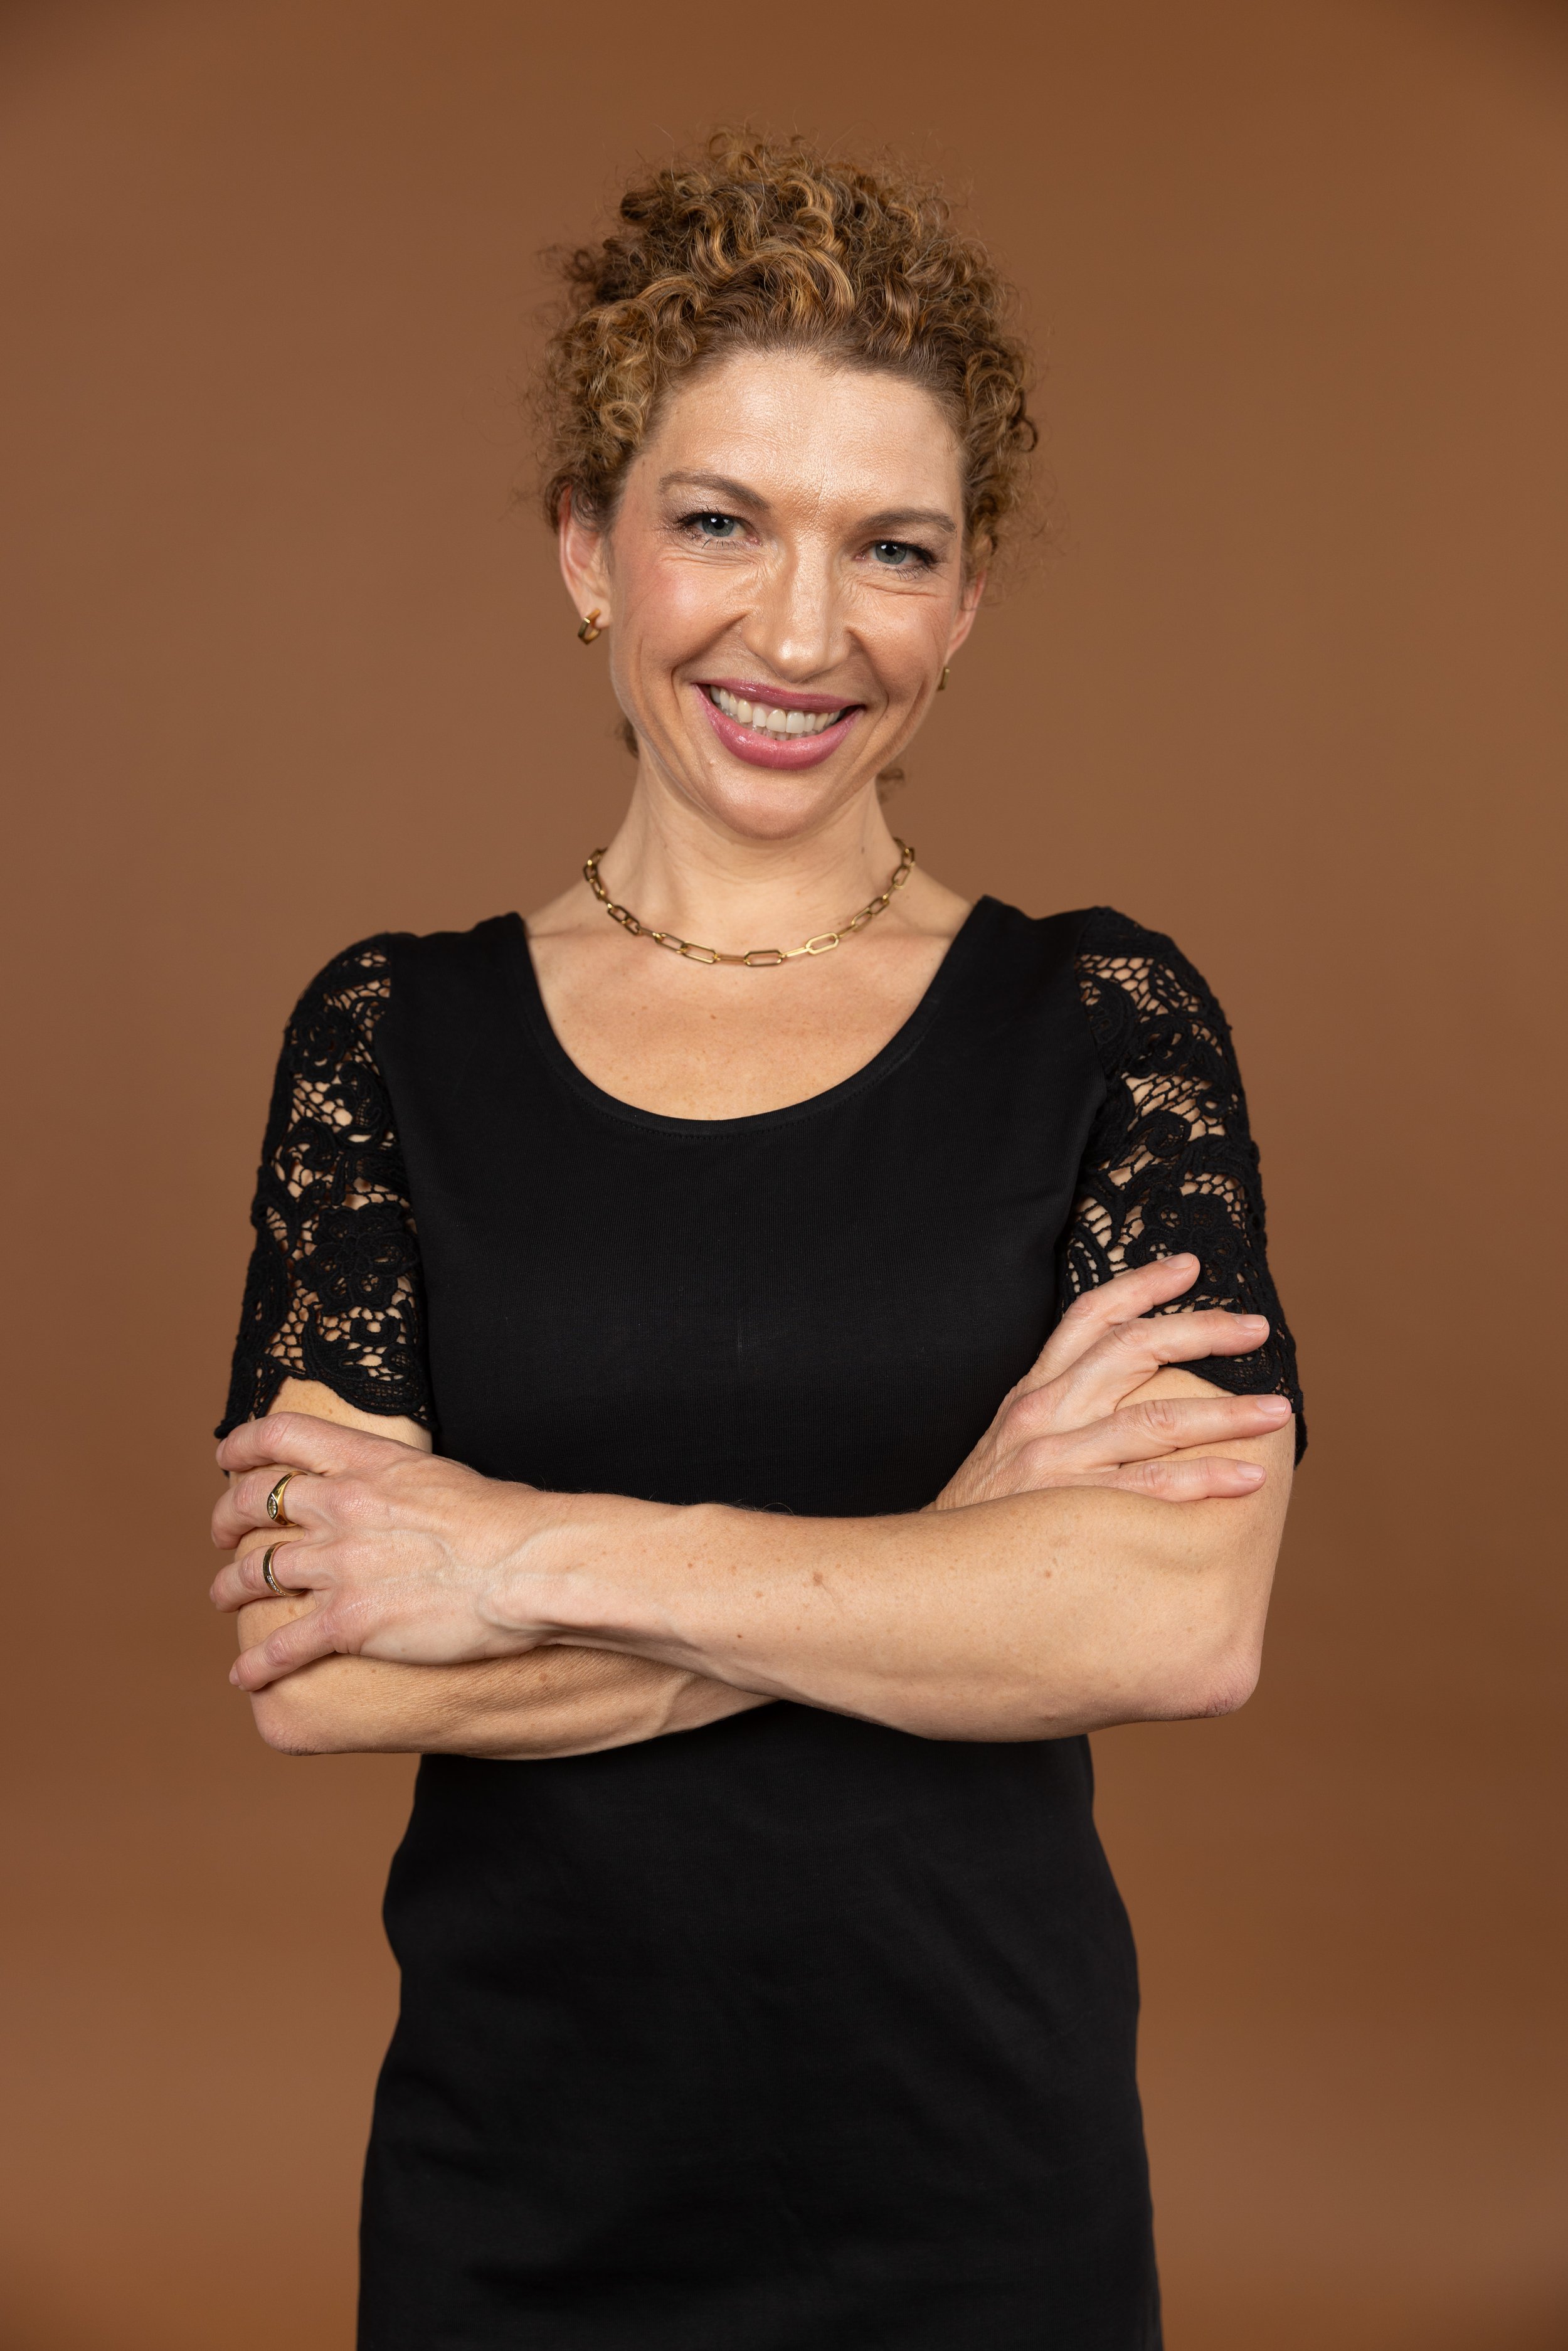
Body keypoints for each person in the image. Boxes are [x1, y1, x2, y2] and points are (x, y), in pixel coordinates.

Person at [210, 132, 1301, 2351]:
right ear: (585, 552)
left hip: (983, 2205)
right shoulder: (386, 1033)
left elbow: (1176, 1612)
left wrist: (505, 1551)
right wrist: (955, 1551)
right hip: (515, 2208)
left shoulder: (1104, 1018)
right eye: (718, 520)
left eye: (887, 547)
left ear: (964, 597)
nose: (800, 631)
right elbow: (323, 1661)